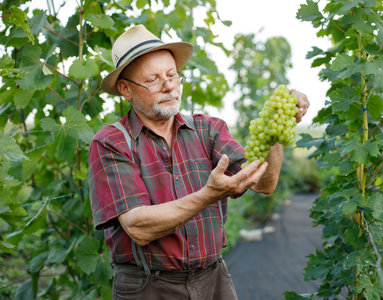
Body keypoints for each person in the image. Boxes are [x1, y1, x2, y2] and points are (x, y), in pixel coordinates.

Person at [89, 24, 309, 300]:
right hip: (149, 287)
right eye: (154, 80)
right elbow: (138, 226)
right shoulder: (111, 142)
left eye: (172, 75)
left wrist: (277, 130)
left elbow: (264, 183)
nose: (169, 85)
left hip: (213, 278)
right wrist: (208, 195)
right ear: (126, 89)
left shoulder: (208, 130)